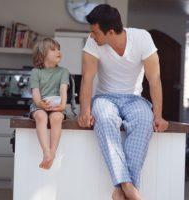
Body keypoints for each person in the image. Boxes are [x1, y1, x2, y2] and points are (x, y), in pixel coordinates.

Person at [78, 4, 169, 200]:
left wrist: (159, 115)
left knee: (145, 120)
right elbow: (87, 79)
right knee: (105, 118)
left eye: (95, 32)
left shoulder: (142, 38)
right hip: (105, 97)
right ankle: (128, 185)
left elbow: (155, 80)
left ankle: (120, 190)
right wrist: (85, 111)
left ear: (110, 31)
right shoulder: (92, 42)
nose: (91, 35)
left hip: (135, 98)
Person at [30, 38, 69, 170]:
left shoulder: (63, 71)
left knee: (57, 117)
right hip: (40, 105)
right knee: (41, 116)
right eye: (53, 49)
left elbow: (63, 89)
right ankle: (46, 151)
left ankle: (52, 153)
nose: (58, 51)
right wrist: (40, 104)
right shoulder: (35, 72)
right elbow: (35, 93)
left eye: (58, 49)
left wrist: (63, 105)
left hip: (57, 106)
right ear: (42, 54)